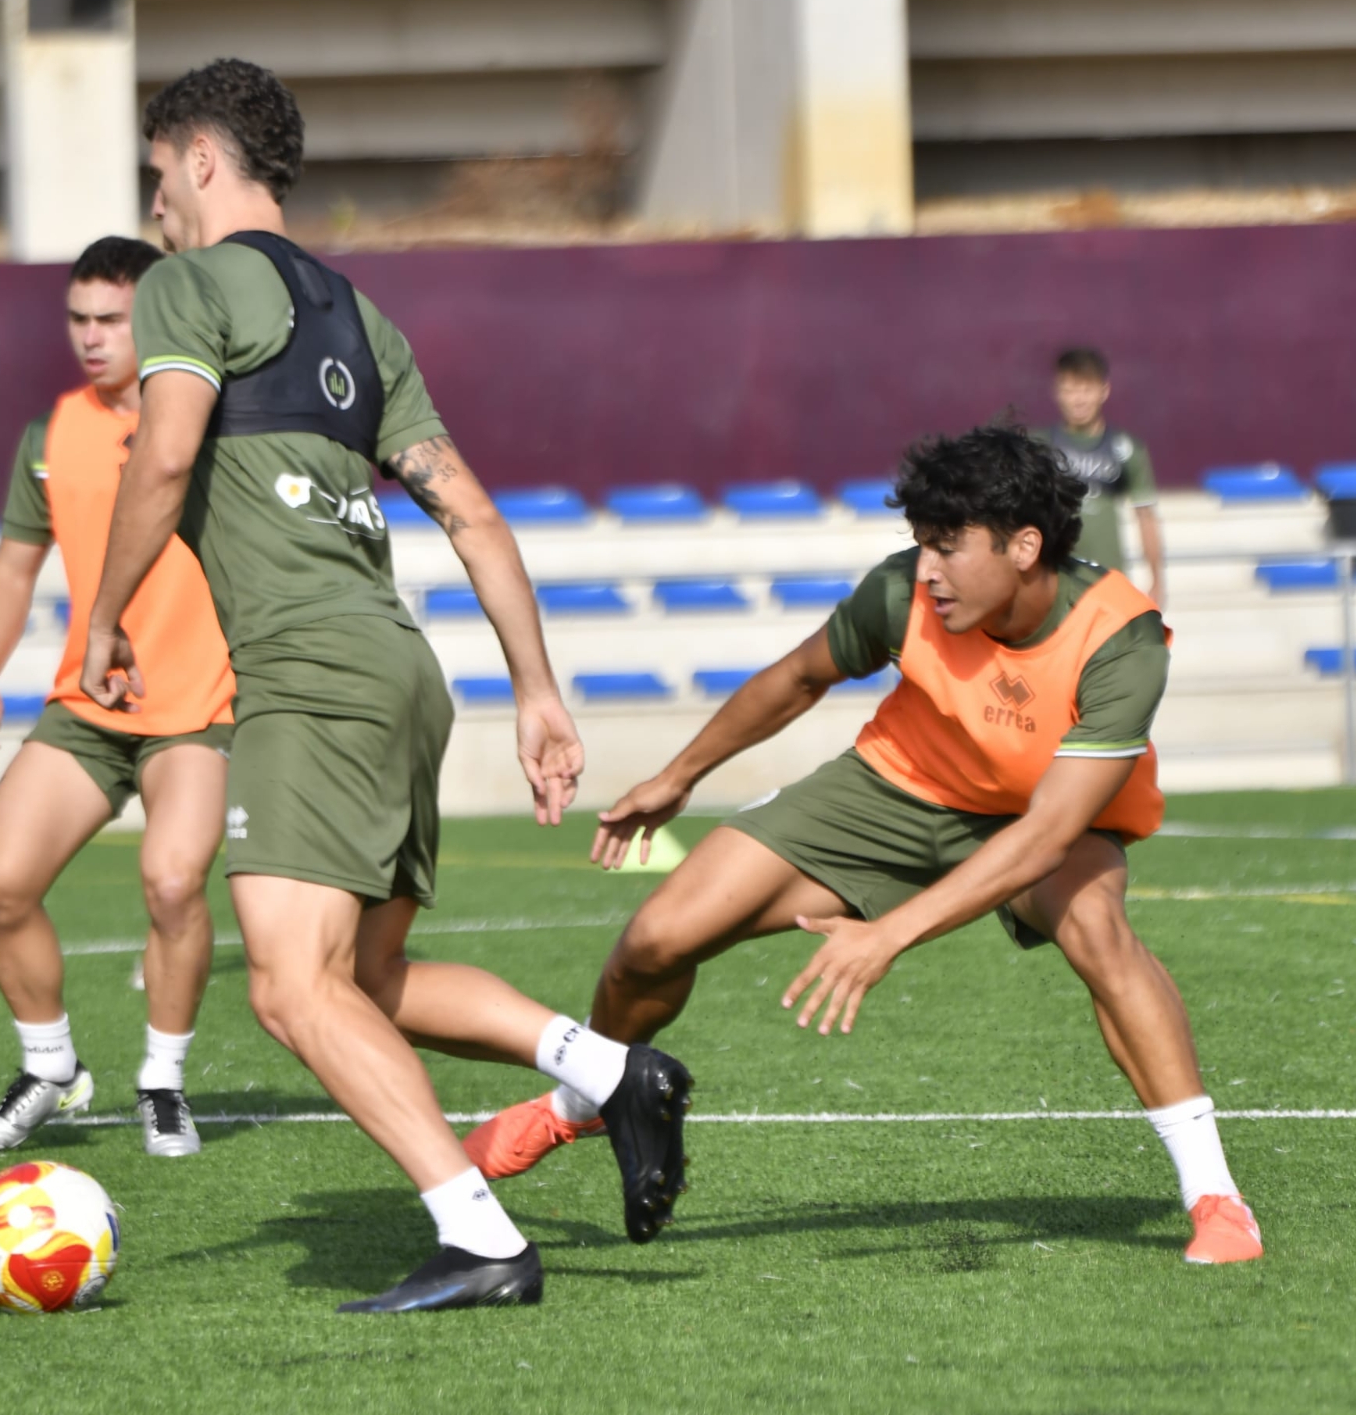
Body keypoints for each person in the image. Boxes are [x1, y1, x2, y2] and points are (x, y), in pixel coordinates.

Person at [79, 59, 691, 1313]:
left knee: (288, 987)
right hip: (401, 673)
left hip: (308, 676)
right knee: (364, 982)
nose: (154, 206)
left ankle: (481, 1239)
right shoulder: (361, 320)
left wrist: (102, 617)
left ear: (203, 160)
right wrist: (537, 692)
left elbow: (166, 459)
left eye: (158, 176)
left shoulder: (186, 285)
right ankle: (609, 1073)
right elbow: (471, 513)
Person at [468, 427, 1263, 1267]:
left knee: (1097, 931)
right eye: (922, 544)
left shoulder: (1121, 638)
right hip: (894, 789)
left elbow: (1048, 834)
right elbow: (798, 677)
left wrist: (888, 934)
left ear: (1025, 547)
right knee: (655, 941)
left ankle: (1216, 1198)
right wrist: (680, 776)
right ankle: (578, 1103)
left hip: (1037, 818)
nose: (928, 571)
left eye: (948, 548)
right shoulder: (901, 590)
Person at [0, 236, 235, 1159]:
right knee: (0, 884)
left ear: (155, 319)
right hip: (88, 705)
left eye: (111, 319)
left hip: (201, 705)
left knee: (173, 881)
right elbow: (15, 566)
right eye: (78, 318)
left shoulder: (212, 421)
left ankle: (163, 1083)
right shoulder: (51, 435)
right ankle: (50, 1069)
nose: (90, 336)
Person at [1049, 347, 1166, 610]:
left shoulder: (1126, 448)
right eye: (1070, 390)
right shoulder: (1041, 447)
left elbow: (1145, 515)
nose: (1078, 400)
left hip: (1109, 579)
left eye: (1086, 390)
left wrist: (1157, 579)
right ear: (1057, 392)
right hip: (1055, 582)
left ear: (1104, 390)